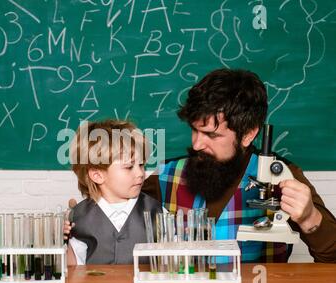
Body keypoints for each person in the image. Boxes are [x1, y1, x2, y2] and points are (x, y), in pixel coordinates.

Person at [141, 68, 336, 263]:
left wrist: (310, 218)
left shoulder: (282, 177)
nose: (196, 144)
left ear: (248, 134)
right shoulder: (165, 176)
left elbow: (332, 257)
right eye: (195, 130)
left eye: (212, 135)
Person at [65, 119, 166, 265]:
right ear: (98, 175)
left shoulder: (158, 213)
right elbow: (73, 271)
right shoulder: (79, 218)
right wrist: (62, 241)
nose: (140, 173)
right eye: (129, 167)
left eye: (142, 164)